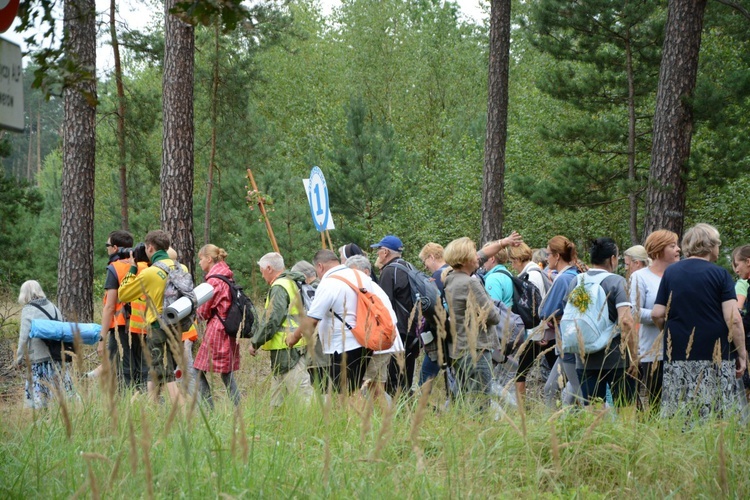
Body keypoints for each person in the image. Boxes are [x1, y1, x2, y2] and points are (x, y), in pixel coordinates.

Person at [653, 224, 746, 420]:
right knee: (716, 411)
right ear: (711, 246)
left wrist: (669, 332)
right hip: (716, 354)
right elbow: (734, 319)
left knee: (681, 411)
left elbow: (657, 313)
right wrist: (742, 354)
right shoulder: (720, 274)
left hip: (677, 352)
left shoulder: (671, 273)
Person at [286, 249, 397, 394]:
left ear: (320, 266)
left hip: (343, 345)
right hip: (365, 339)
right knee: (355, 389)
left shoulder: (329, 283)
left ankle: (349, 417)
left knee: (342, 393)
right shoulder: (359, 276)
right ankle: (359, 416)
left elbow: (312, 320)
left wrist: (293, 338)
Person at [565, 238, 637, 407]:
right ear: (612, 259)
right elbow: (626, 321)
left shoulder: (576, 281)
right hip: (615, 359)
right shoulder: (617, 281)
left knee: (593, 412)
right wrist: (633, 357)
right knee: (624, 410)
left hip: (584, 359)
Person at [118, 230, 183, 405]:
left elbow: (123, 294)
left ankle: (165, 407)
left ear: (150, 247)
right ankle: (159, 404)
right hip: (179, 325)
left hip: (157, 326)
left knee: (155, 369)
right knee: (173, 369)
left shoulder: (150, 273)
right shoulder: (180, 267)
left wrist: (132, 268)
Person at [442, 237, 500, 406]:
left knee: (463, 398)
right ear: (466, 258)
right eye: (474, 254)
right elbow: (493, 317)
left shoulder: (451, 279)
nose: (478, 258)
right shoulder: (470, 283)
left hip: (460, 348)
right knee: (480, 402)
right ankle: (479, 430)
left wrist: (502, 243)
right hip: (477, 349)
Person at [250, 252, 313, 407]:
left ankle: (317, 426)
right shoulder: (291, 282)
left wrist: (255, 342)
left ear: (269, 268)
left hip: (287, 348)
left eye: (262, 270)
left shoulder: (279, 287)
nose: (262, 275)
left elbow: (272, 320)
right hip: (289, 347)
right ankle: (274, 427)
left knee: (302, 396)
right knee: (277, 399)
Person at [629, 230, 680, 410]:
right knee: (657, 405)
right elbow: (633, 312)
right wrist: (660, 314)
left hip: (682, 352)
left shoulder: (681, 275)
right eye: (672, 246)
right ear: (658, 250)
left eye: (677, 245)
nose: (678, 249)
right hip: (654, 352)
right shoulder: (640, 277)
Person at [346, 255, 405, 400]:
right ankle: (389, 420)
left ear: (366, 272)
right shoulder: (375, 287)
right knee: (376, 388)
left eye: (353, 272)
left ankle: (357, 421)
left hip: (377, 346)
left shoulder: (366, 289)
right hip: (386, 344)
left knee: (357, 387)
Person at [193, 244, 241, 408]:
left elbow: (203, 312)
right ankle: (238, 409)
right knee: (226, 373)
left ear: (209, 258)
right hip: (228, 328)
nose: (200, 263)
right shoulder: (227, 275)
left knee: (197, 371)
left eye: (201, 259)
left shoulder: (213, 281)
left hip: (216, 329)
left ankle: (209, 409)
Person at [99, 230, 148, 391]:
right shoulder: (144, 266)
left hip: (120, 324)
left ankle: (125, 400)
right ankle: (143, 398)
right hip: (143, 323)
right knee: (142, 365)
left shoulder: (115, 268)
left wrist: (102, 338)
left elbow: (110, 306)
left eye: (107, 245)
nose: (107, 249)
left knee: (121, 367)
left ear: (114, 248)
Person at [371, 235, 420, 395]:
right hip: (414, 331)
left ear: (385, 252)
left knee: (394, 380)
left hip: (397, 334)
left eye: (379, 250)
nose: (377, 254)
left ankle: (396, 415)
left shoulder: (389, 271)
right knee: (406, 378)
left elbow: (383, 305)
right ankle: (408, 411)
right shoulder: (409, 267)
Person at [14, 280, 75, 408]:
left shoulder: (28, 310)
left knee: (41, 399)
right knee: (62, 394)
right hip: (57, 357)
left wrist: (18, 359)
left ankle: (43, 421)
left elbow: (23, 337)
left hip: (39, 358)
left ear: (24, 294)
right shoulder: (53, 307)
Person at [539, 235, 582, 408]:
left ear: (557, 256)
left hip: (568, 342)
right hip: (571, 340)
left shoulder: (564, 279)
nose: (546, 258)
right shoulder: (576, 274)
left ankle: (604, 421)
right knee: (551, 388)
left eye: (548, 254)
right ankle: (556, 427)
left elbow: (545, 311)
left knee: (581, 392)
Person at [291, 260, 330, 389]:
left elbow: (310, 319)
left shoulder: (308, 290)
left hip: (318, 350)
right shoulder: (326, 286)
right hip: (331, 346)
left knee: (319, 386)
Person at [417, 242, 450, 388]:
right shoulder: (453, 271)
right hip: (453, 333)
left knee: (425, 379)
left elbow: (433, 308)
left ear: (431, 257)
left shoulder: (437, 277)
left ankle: (420, 407)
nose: (425, 266)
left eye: (425, 261)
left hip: (438, 336)